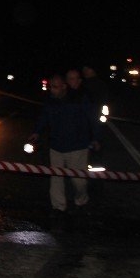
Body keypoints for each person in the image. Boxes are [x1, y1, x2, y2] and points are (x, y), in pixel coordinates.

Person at [28, 73, 101, 218]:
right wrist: (37, 132)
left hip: (78, 147)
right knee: (56, 178)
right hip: (56, 146)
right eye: (50, 87)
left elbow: (93, 118)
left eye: (55, 87)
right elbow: (44, 117)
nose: (51, 90)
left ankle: (81, 200)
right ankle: (58, 207)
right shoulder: (50, 101)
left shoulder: (79, 99)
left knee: (78, 180)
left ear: (63, 87)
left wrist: (96, 138)